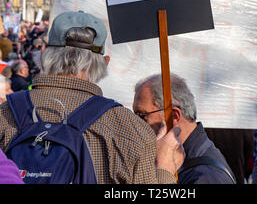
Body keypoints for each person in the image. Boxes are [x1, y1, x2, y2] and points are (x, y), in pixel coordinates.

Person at [0, 11, 184, 184]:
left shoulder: (4, 114)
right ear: (105, 63)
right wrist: (165, 171)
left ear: (42, 54)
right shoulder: (130, 128)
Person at [133, 73, 235, 184]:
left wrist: (163, 173)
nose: (135, 125)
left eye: (141, 116)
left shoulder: (206, 176)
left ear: (173, 116)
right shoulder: (185, 162)